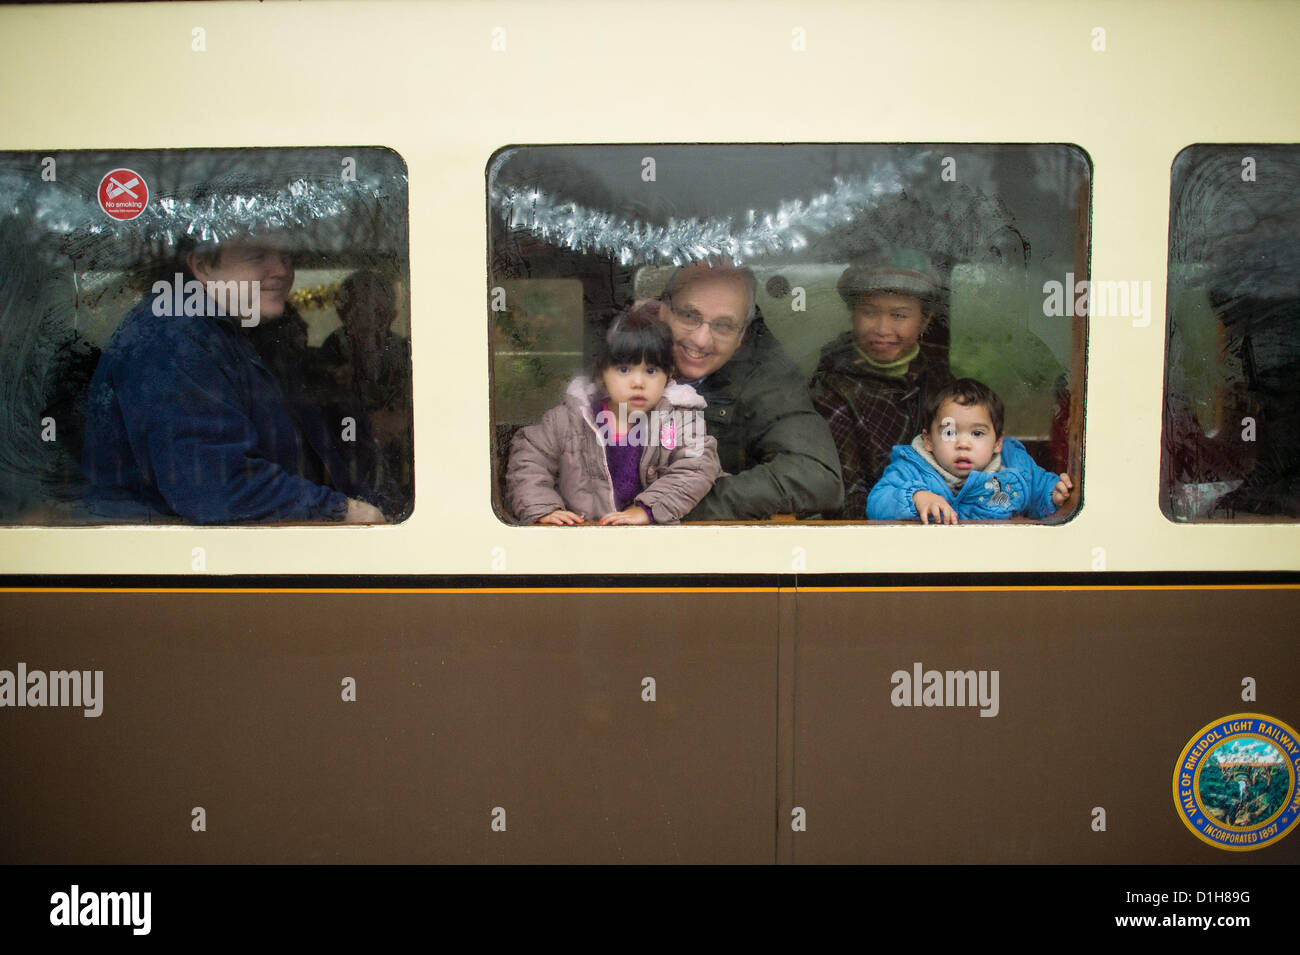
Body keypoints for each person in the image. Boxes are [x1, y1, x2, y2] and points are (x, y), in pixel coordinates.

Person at [82, 235, 386, 524]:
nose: (282, 270)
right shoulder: (173, 339)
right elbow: (215, 486)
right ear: (202, 266)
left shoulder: (245, 335)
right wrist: (344, 512)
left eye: (287, 255)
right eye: (257, 256)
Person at [655, 262, 843, 520]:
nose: (700, 339)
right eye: (689, 315)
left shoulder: (764, 374)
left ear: (742, 333)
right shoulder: (619, 348)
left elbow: (816, 476)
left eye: (723, 325)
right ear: (663, 311)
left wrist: (674, 508)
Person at [506, 303, 721, 524]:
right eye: (624, 369)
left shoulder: (680, 419)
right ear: (601, 374)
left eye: (651, 371)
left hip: (654, 541)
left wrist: (648, 510)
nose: (638, 383)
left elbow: (696, 468)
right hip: (580, 539)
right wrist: (543, 509)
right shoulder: (568, 420)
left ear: (668, 375)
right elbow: (528, 462)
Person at [809, 248, 955, 518]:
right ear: (853, 314)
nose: (883, 329)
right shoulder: (831, 394)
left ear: (925, 320)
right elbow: (845, 499)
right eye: (869, 312)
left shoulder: (941, 382)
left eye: (899, 315)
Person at [866, 378, 1073, 524]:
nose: (963, 444)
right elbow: (877, 502)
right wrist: (916, 497)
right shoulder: (911, 468)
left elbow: (1041, 492)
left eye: (977, 433)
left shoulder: (1015, 467)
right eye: (949, 433)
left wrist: (1054, 496)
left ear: (997, 443)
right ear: (928, 440)